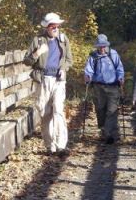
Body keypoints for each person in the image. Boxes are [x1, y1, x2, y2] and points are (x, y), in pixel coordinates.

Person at [23, 12, 73, 156]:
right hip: (43, 80)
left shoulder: (63, 40)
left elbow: (69, 60)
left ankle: (61, 145)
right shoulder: (38, 40)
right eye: (52, 26)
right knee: (45, 114)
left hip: (58, 80)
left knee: (58, 110)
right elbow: (26, 61)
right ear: (47, 27)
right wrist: (36, 54)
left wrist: (64, 69)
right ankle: (50, 145)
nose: (55, 28)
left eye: (57, 26)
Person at [84, 34, 125, 144]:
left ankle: (110, 134)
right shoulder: (93, 56)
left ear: (107, 45)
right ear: (97, 46)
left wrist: (120, 78)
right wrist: (88, 77)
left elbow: (119, 68)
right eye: (100, 46)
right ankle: (104, 131)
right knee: (100, 110)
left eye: (103, 46)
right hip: (98, 87)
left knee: (112, 110)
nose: (102, 48)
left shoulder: (113, 54)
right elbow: (89, 70)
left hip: (113, 86)